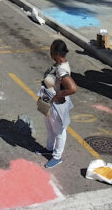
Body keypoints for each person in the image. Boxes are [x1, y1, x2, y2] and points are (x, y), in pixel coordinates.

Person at [38, 39, 77, 169]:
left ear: (57, 53)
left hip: (57, 105)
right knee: (50, 127)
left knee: (59, 131)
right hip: (49, 102)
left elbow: (72, 88)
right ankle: (49, 149)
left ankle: (57, 156)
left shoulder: (61, 70)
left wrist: (57, 96)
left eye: (51, 51)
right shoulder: (59, 64)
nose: (50, 53)